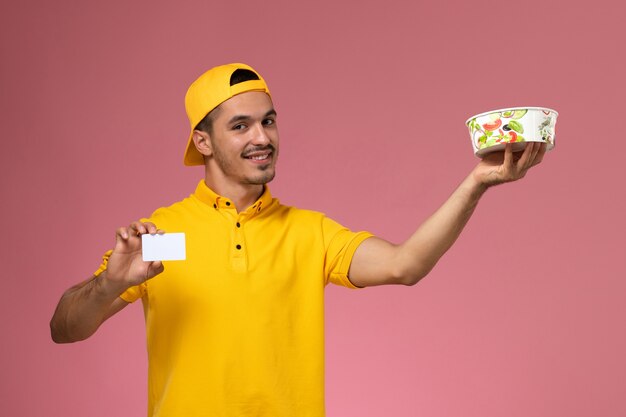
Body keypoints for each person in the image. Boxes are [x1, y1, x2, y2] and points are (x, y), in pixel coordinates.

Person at [50, 63, 546, 417]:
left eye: (268, 120)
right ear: (203, 142)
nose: (261, 138)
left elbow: (405, 264)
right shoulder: (161, 237)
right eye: (240, 126)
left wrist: (476, 182)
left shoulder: (309, 232)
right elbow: (65, 328)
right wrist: (109, 285)